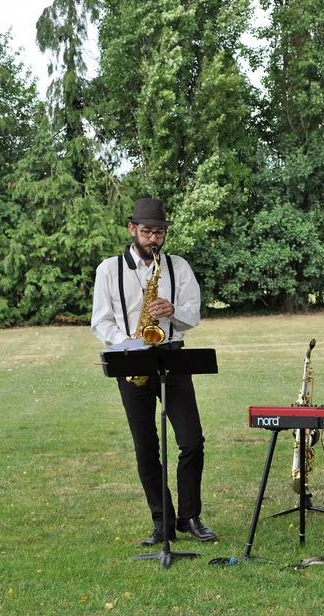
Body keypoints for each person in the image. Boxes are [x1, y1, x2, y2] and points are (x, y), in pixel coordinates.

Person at [91, 198, 217, 546]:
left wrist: (173, 310)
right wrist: (129, 340)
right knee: (146, 446)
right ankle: (161, 521)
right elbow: (100, 321)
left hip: (173, 358)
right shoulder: (108, 269)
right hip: (130, 359)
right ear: (132, 229)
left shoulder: (178, 267)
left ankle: (190, 516)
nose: (153, 240)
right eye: (146, 232)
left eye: (159, 233)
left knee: (192, 440)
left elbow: (193, 315)